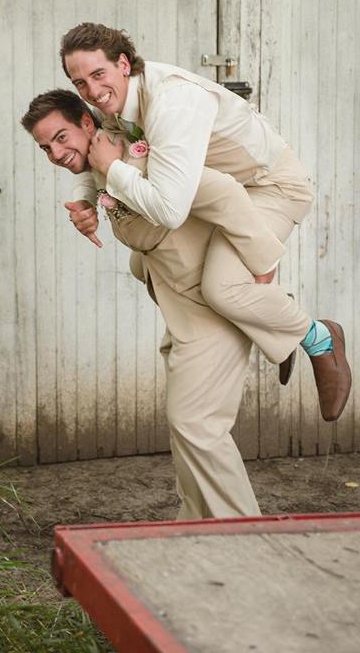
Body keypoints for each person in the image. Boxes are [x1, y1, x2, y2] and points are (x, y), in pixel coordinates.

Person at [59, 22, 351, 423]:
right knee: (144, 263)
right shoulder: (113, 105)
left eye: (98, 75)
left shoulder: (171, 101)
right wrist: (84, 201)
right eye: (80, 83)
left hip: (267, 185)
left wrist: (113, 170)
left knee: (222, 287)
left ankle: (318, 337)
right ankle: (270, 325)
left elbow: (169, 209)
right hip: (214, 194)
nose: (92, 91)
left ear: (123, 64)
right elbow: (94, 150)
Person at [21, 88, 263, 518]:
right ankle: (196, 527)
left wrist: (263, 268)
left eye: (60, 138)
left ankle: (244, 534)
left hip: (209, 309)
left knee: (197, 427)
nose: (55, 153)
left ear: (88, 124)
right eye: (45, 147)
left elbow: (222, 195)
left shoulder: (142, 161)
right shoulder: (103, 167)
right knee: (187, 430)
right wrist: (87, 200)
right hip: (180, 309)